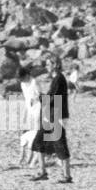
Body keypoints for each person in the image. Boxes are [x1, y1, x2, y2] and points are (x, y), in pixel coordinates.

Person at [34, 54, 73, 183]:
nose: (46, 67)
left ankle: (66, 176)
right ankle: (43, 171)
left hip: (55, 116)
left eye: (48, 64)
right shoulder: (57, 79)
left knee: (60, 145)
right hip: (50, 115)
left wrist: (40, 97)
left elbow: (54, 98)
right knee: (39, 143)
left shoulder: (59, 79)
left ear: (55, 65)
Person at [18, 69, 41, 168]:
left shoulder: (34, 82)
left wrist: (34, 99)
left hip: (38, 108)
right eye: (21, 79)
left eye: (23, 78)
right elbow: (26, 98)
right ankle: (32, 157)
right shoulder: (23, 84)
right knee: (30, 133)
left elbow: (40, 95)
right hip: (29, 109)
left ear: (27, 75)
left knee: (37, 131)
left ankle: (36, 157)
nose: (22, 80)